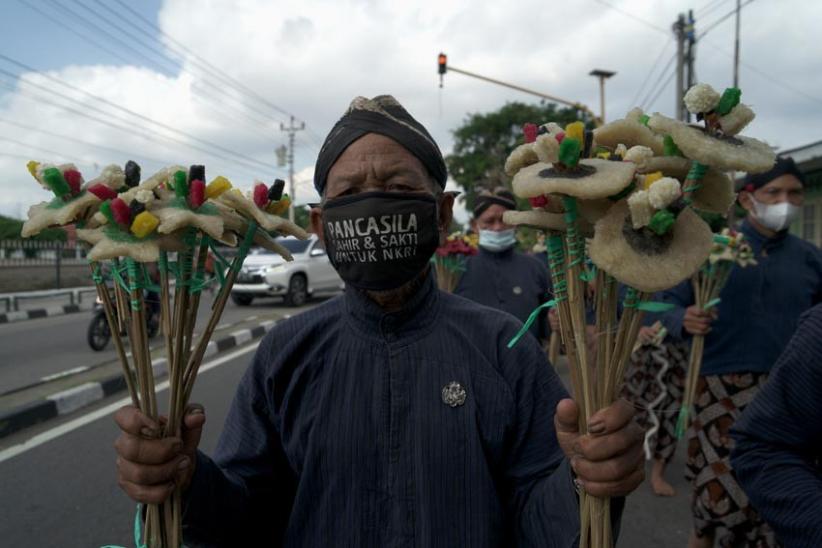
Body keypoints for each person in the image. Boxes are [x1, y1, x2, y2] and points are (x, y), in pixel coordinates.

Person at [112, 95, 644, 546]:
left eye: (398, 188)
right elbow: (247, 517)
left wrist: (586, 479)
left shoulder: (502, 346)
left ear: (440, 213)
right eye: (350, 194)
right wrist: (188, 480)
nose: (374, 206)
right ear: (321, 223)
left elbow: (542, 525)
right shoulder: (286, 353)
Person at [659, 156, 822, 548]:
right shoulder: (712, 250)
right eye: (774, 192)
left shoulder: (811, 259)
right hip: (721, 389)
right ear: (748, 199)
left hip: (792, 397)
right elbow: (664, 303)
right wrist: (684, 317)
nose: (786, 200)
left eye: (794, 193)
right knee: (715, 504)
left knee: (781, 504)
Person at [730, 303, 822, 547]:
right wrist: (683, 319)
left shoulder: (811, 264)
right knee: (711, 499)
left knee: (752, 520)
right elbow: (763, 445)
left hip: (784, 374)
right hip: (725, 377)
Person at [454, 188, 552, 343]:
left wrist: (556, 322)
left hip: (527, 362)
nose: (498, 227)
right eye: (489, 221)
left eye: (504, 221)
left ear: (515, 224)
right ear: (475, 225)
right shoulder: (456, 269)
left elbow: (550, 325)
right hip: (471, 363)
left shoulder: (535, 268)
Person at [620, 320, 688, 498]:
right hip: (639, 347)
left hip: (676, 347)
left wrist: (676, 317)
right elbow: (620, 302)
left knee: (671, 412)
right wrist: (636, 327)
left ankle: (658, 473)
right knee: (630, 408)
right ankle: (627, 461)